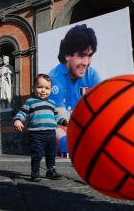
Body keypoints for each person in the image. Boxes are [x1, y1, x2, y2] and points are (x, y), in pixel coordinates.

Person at [49, 24, 100, 156]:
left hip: (80, 126)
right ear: (67, 56)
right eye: (81, 55)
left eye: (89, 56)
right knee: (56, 129)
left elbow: (100, 106)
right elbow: (60, 116)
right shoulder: (54, 78)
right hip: (64, 126)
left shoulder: (92, 74)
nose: (86, 62)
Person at [13, 74, 67, 182]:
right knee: (37, 154)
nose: (43, 90)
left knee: (51, 154)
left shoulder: (52, 103)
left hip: (51, 133)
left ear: (50, 90)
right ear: (34, 88)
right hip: (36, 134)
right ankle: (35, 172)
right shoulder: (30, 102)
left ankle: (51, 171)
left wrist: (65, 122)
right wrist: (17, 120)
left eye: (47, 88)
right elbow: (22, 113)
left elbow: (56, 117)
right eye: (40, 87)